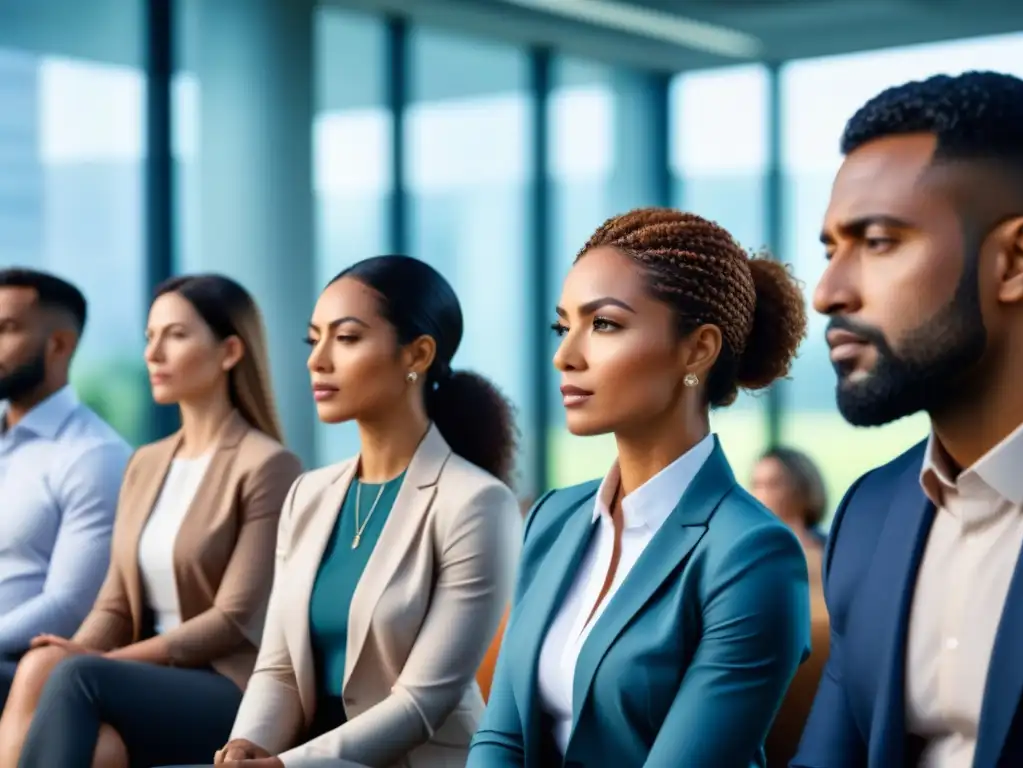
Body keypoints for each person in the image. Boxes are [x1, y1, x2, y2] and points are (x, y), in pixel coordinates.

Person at [469, 208, 812, 767]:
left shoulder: (752, 554)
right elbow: (501, 739)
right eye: (564, 326)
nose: (564, 355)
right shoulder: (552, 519)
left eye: (603, 324)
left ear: (697, 349)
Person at [204, 255, 521, 768]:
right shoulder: (309, 494)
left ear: (416, 354)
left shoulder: (476, 504)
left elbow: (422, 703)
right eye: (314, 340)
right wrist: (249, 745)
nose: (317, 360)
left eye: (346, 339)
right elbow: (279, 666)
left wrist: (287, 766)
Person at [792, 71, 1023, 768]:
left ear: (1013, 261)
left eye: (880, 241)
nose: (829, 292)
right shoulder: (870, 514)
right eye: (831, 249)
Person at [0, 274, 302, 768]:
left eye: (176, 335)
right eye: (149, 337)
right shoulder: (146, 462)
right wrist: (76, 647)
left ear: (230, 351)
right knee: (89, 731)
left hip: (229, 685)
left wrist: (99, 660)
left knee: (74, 675)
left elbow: (233, 621)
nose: (154, 353)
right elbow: (115, 604)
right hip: (143, 679)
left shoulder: (267, 465)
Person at [0, 268, 131, 705]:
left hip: (22, 668)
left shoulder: (95, 456)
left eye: (7, 329)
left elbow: (71, 605)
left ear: (59, 345)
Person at [751, 447, 829, 583]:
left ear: (803, 488)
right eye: (756, 485)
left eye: (774, 484)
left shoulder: (833, 553)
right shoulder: (744, 555)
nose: (761, 495)